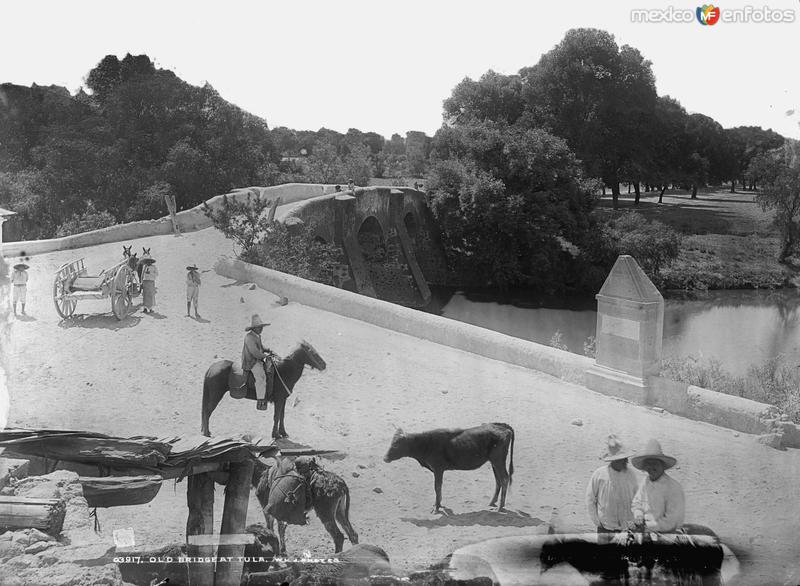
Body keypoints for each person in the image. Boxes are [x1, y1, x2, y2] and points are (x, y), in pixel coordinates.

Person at [586, 435, 641, 537]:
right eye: (622, 459)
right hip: (606, 528)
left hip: (626, 528)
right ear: (614, 460)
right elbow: (590, 499)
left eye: (626, 458)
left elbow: (637, 498)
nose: (626, 461)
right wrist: (597, 521)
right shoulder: (599, 474)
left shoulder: (631, 475)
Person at [631, 438, 685, 533]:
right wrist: (638, 513)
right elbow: (637, 502)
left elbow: (673, 520)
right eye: (648, 464)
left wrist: (651, 526)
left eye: (655, 463)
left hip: (666, 534)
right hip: (645, 531)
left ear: (662, 465)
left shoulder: (673, 487)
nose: (651, 467)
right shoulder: (646, 481)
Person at [242, 314, 273, 411]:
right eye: (259, 327)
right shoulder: (249, 337)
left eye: (261, 327)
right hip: (250, 361)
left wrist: (267, 350)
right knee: (261, 377)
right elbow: (255, 352)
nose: (261, 329)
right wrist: (265, 356)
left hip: (257, 359)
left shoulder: (257, 336)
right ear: (254, 328)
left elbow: (260, 347)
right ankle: (260, 401)